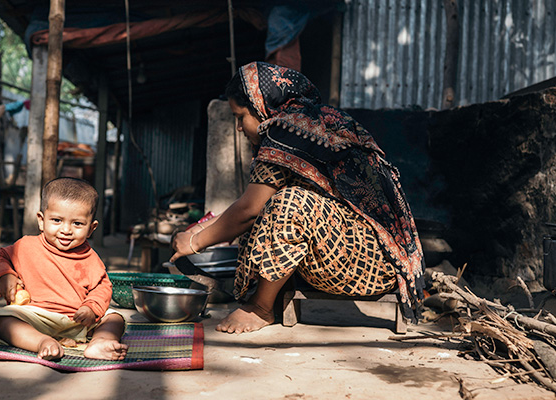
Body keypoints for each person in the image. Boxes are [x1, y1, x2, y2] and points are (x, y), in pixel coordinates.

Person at [170, 62, 425, 334]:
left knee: (289, 204)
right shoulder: (307, 122)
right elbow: (250, 204)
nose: (239, 128)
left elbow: (249, 210)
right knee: (274, 204)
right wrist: (197, 230)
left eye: (240, 117)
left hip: (369, 265)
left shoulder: (285, 131)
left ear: (259, 107)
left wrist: (195, 243)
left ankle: (261, 308)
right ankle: (262, 298)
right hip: (369, 258)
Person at [0, 177, 128, 360]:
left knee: (115, 318)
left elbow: (102, 287)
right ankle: (41, 342)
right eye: (57, 220)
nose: (66, 230)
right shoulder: (26, 246)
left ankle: (99, 342)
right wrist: (5, 275)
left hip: (78, 321)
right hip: (36, 316)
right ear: (41, 220)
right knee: (3, 320)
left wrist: (91, 308)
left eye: (77, 223)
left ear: (91, 228)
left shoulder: (91, 258)